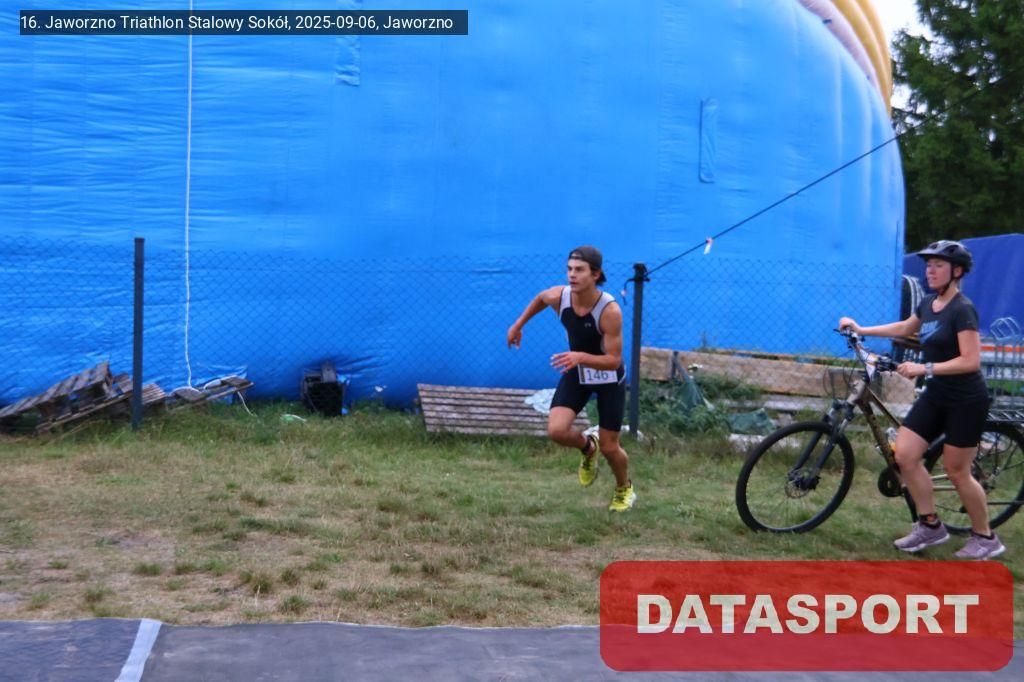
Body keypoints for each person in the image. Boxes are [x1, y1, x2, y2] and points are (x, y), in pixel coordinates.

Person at [839, 240, 1004, 559]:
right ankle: (930, 526)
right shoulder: (929, 303)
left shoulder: (962, 309)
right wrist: (862, 328)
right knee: (905, 455)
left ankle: (986, 537)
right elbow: (905, 327)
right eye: (929, 265)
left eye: (938, 265)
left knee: (957, 471)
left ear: (957, 272)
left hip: (966, 399)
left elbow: (971, 360)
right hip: (937, 393)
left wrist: (924, 367)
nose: (930, 270)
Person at [507, 246, 636, 512]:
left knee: (610, 447)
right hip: (578, 370)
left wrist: (580, 357)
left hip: (608, 378)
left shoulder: (609, 310)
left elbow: (613, 360)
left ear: (595, 274)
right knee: (556, 430)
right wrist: (518, 325)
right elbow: (541, 298)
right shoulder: (560, 296)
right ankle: (588, 448)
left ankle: (624, 488)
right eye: (569, 269)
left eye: (579, 270)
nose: (572, 275)